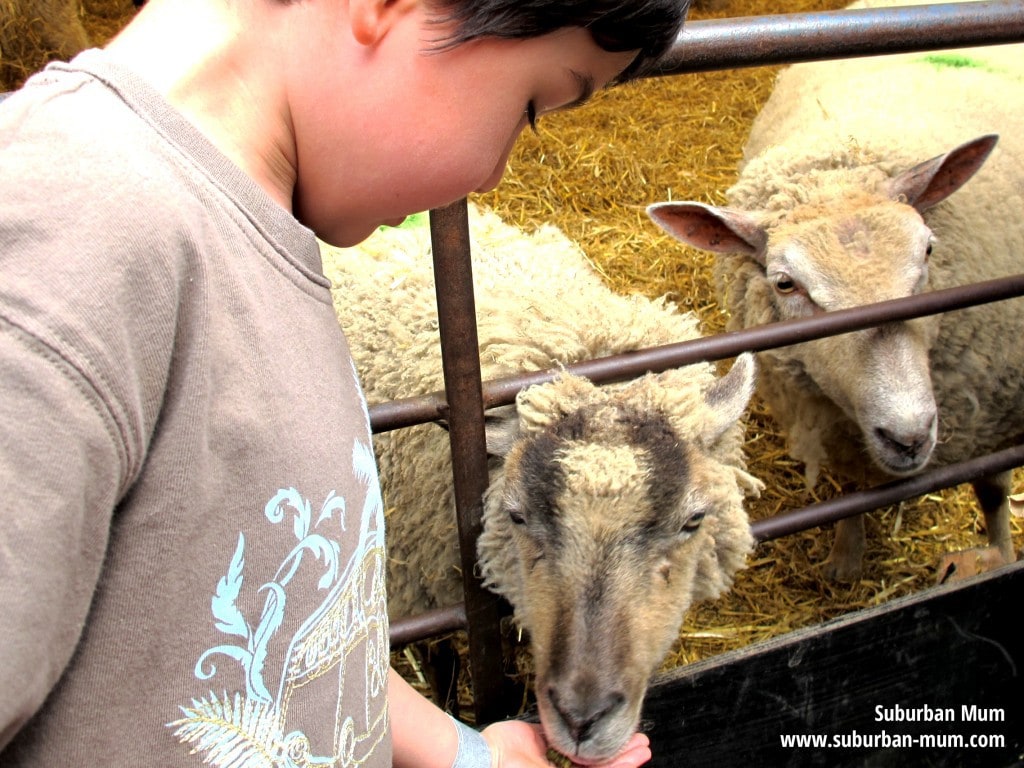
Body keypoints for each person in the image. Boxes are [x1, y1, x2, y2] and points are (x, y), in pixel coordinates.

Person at [0, 0, 687, 765]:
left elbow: (253, 627)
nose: (493, 175)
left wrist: (464, 755)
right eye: (530, 106)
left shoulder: (243, 228)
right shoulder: (62, 238)